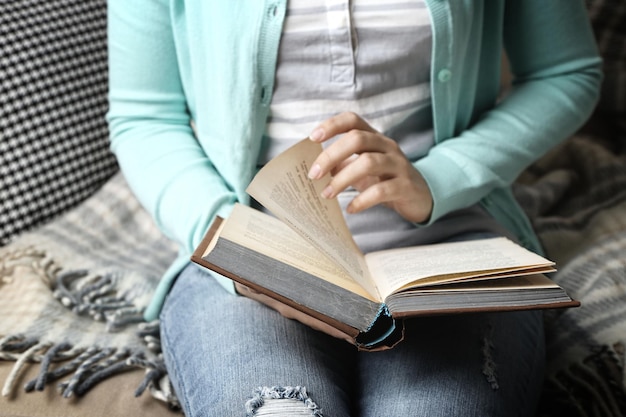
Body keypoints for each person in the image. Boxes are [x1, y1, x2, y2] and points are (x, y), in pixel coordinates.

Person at [106, 1, 602, 416]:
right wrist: (238, 250)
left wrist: (440, 176)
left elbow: (566, 72)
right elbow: (145, 115)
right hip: (251, 265)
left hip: (454, 257)